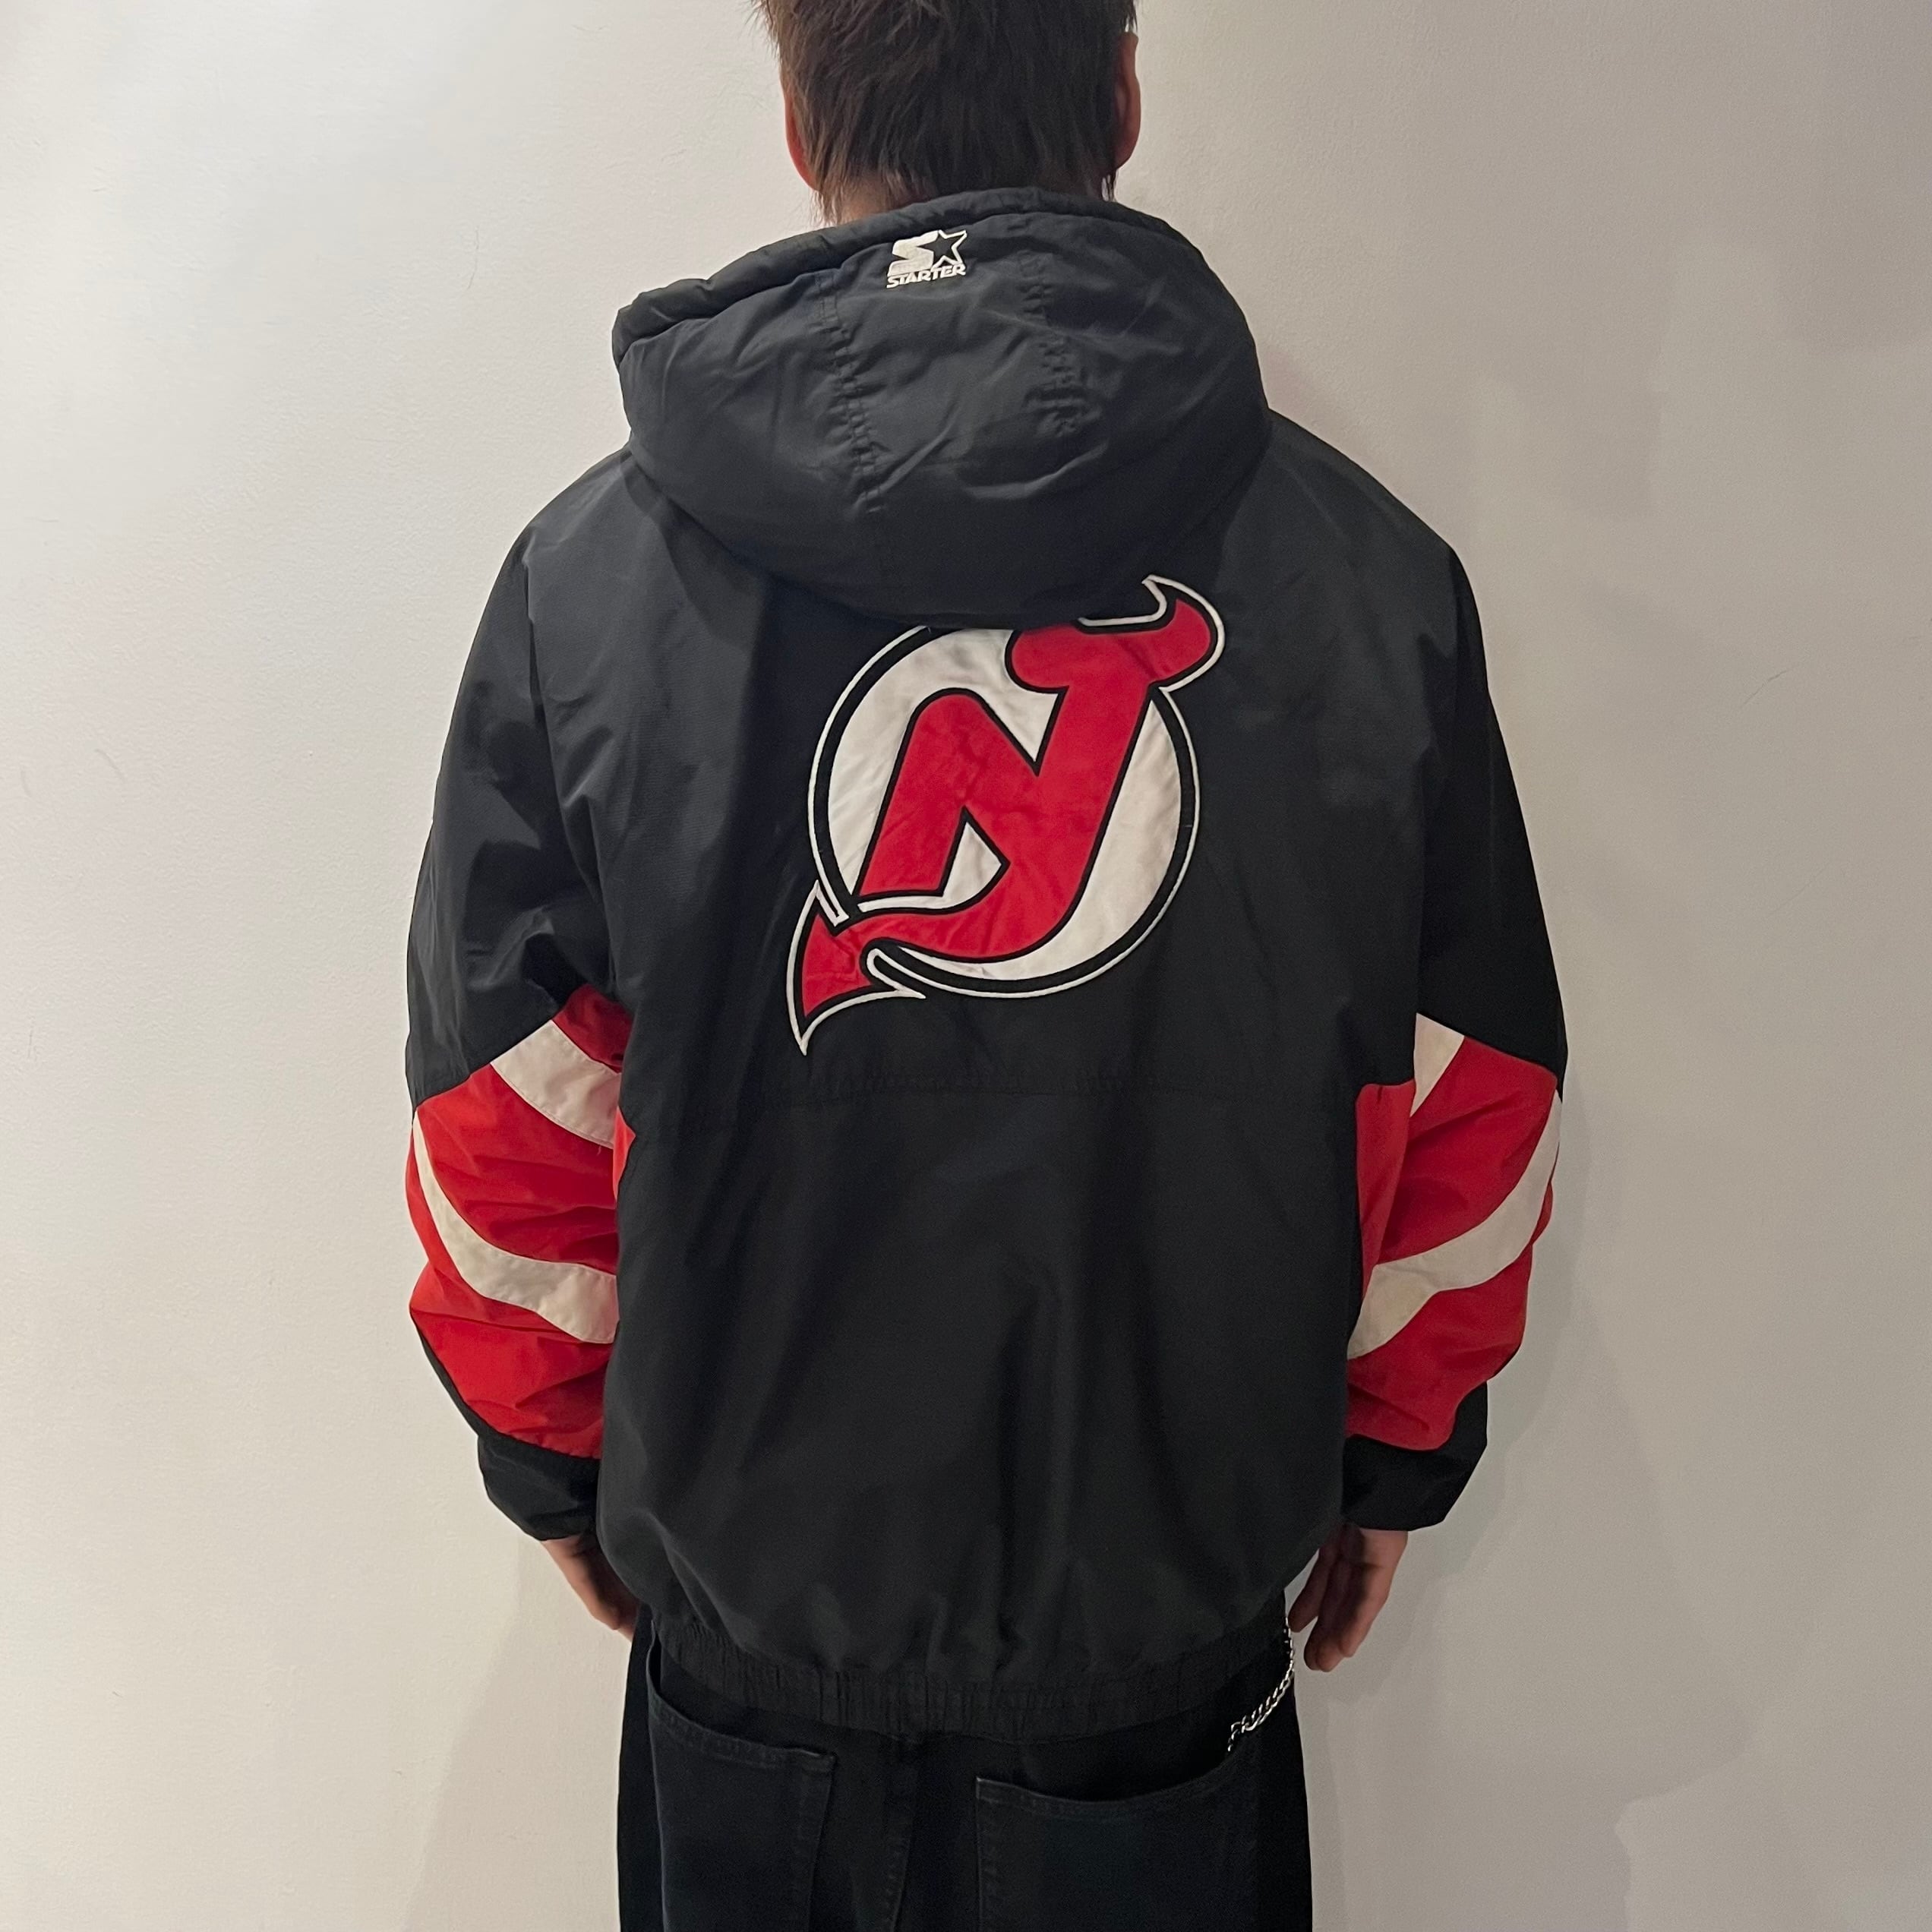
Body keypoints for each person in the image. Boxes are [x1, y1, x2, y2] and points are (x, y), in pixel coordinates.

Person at [402, 2, 1565, 1925]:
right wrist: (1393, 1451)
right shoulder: (1373, 587)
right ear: (1121, 92)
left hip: (746, 1672)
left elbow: (502, 1109)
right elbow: (1476, 1100)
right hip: (1162, 1680)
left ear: (800, 122)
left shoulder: (583, 590)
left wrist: (552, 1456)